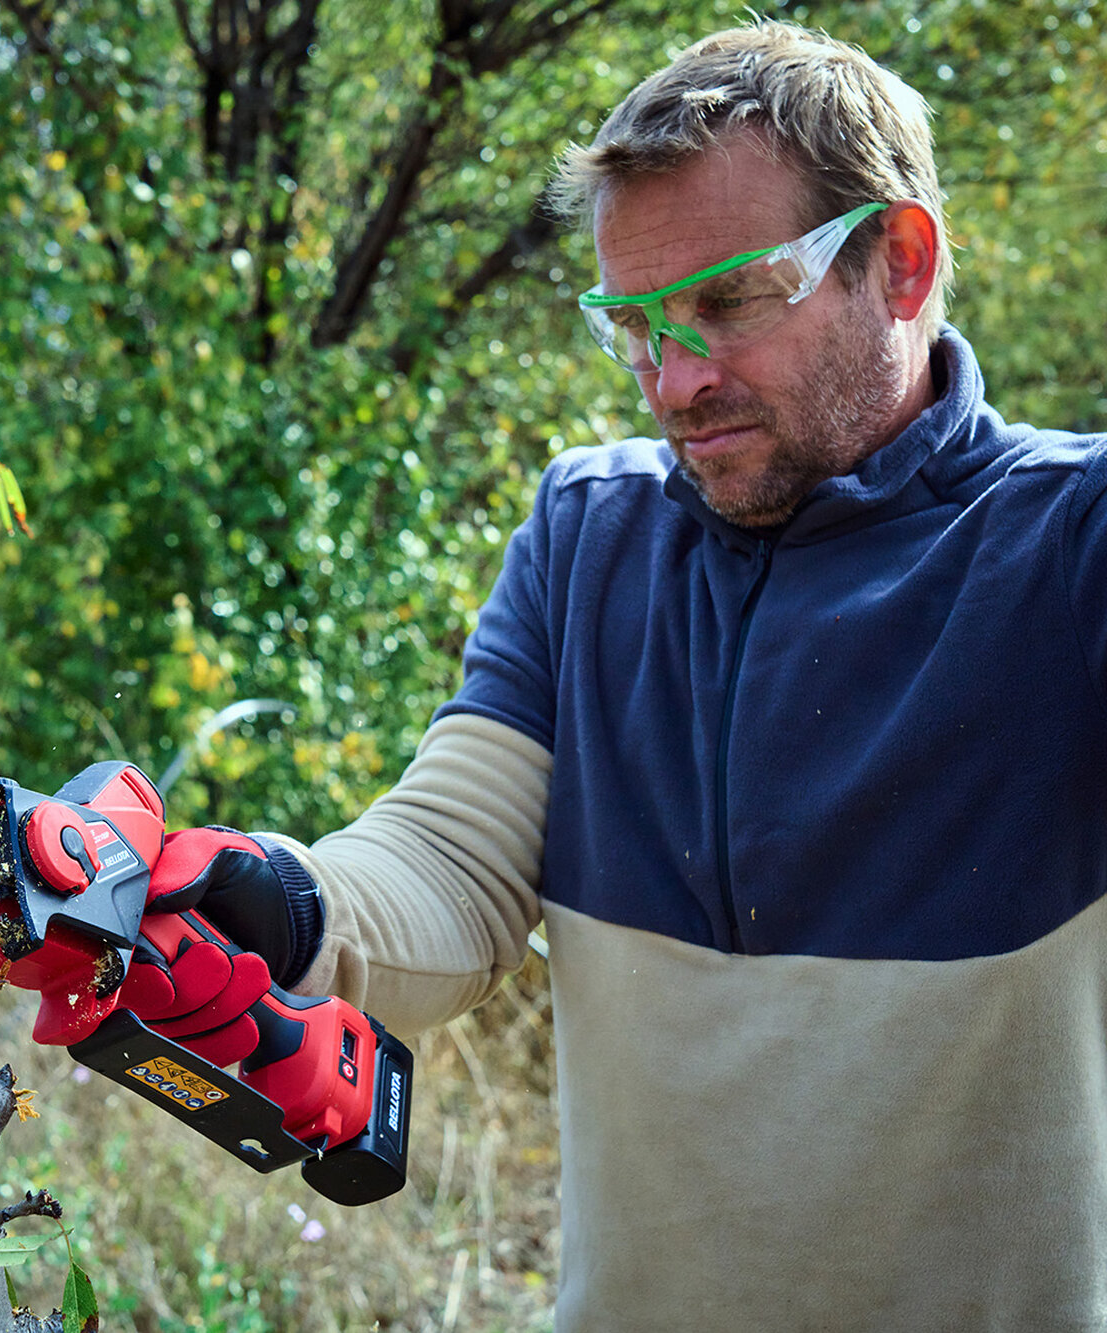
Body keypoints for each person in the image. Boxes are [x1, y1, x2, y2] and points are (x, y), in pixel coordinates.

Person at [108, 20, 1107, 1330]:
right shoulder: (589, 535)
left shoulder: (1069, 543)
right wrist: (283, 901)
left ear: (900, 262)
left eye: (729, 302)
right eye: (631, 323)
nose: (674, 379)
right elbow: (450, 872)